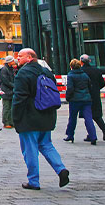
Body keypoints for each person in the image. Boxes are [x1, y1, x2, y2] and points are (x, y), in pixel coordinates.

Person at [13, 48, 68, 190]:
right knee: (46, 145)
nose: (17, 58)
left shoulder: (23, 74)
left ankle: (34, 181)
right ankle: (61, 169)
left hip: (29, 118)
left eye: (20, 56)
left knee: (30, 150)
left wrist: (16, 118)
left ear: (30, 57)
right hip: (47, 116)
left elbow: (19, 98)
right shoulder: (47, 72)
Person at [63, 59, 97, 145]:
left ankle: (70, 135)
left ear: (71, 67)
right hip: (86, 99)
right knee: (88, 118)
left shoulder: (71, 75)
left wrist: (68, 97)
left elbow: (70, 88)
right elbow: (90, 86)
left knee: (72, 118)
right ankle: (93, 136)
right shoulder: (85, 75)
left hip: (75, 100)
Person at [80, 54, 105, 141]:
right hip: (95, 94)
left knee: (87, 116)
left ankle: (92, 133)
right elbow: (102, 83)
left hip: (85, 95)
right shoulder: (96, 70)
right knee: (96, 115)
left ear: (81, 62)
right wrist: (96, 89)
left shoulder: (81, 71)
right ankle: (103, 128)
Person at [0, 57, 17, 128]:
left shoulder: (10, 69)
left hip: (11, 91)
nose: (13, 61)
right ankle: (6, 122)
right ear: (9, 62)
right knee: (7, 107)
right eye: (12, 61)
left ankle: (11, 122)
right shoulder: (4, 70)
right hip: (6, 91)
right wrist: (14, 86)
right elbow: (5, 81)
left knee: (11, 107)